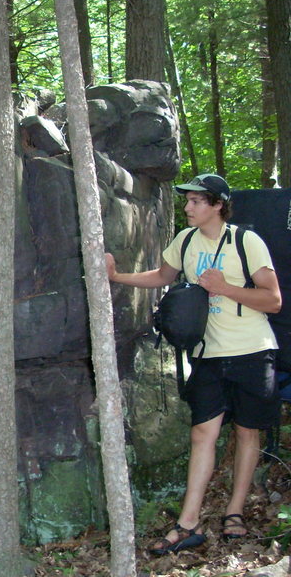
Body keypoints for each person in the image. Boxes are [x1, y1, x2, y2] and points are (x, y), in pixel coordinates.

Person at [105, 173, 282, 555]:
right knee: (203, 433)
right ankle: (188, 522)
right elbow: (163, 276)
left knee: (248, 432)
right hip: (207, 354)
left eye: (196, 201)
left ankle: (234, 512)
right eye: (187, 200)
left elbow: (273, 300)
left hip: (252, 350)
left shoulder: (245, 242)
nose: (187, 207)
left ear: (217, 204)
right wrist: (117, 276)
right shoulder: (184, 241)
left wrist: (224, 288)